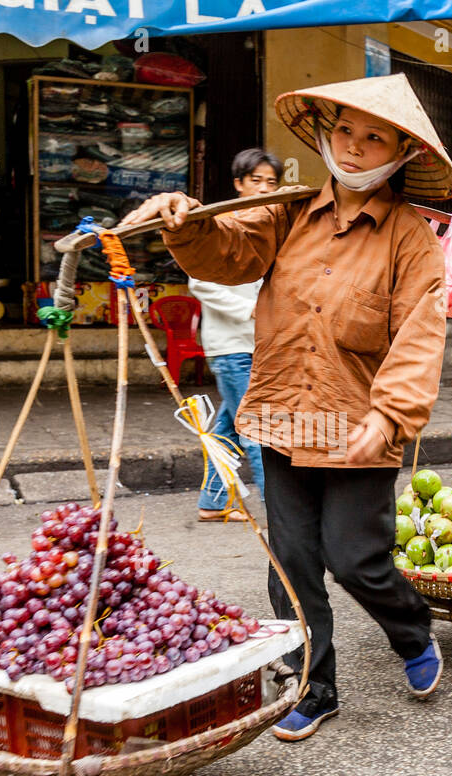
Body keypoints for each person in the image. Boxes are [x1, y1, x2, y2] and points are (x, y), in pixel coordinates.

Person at [120, 74, 452, 741]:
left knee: (356, 558)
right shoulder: (291, 211)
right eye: (345, 132)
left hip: (359, 422)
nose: (354, 149)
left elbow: (420, 336)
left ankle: (412, 631)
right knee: (292, 561)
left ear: (401, 153)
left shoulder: (410, 239)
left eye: (374, 137)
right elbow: (229, 253)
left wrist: (389, 417)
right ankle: (313, 685)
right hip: (283, 413)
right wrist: (184, 224)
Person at [190, 148, 281, 521]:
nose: (263, 189)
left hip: (258, 344)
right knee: (257, 431)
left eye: (271, 182)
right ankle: (280, 514)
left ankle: (212, 502)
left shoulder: (273, 228)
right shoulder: (222, 224)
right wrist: (247, 310)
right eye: (255, 181)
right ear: (238, 184)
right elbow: (199, 282)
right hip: (231, 347)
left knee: (229, 426)